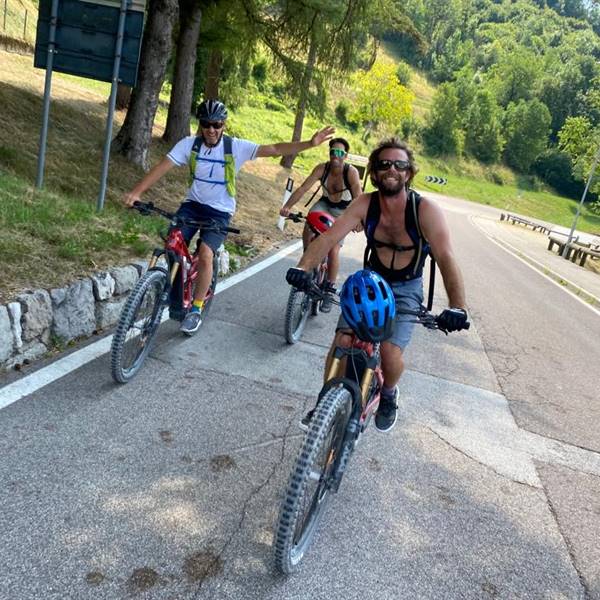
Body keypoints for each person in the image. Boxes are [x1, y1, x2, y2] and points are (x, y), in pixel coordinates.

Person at [286, 138, 468, 432]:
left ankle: (389, 392)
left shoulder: (424, 211)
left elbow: (446, 258)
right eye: (384, 164)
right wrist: (302, 267)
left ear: (409, 173)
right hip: (370, 281)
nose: (391, 169)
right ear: (374, 171)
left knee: (389, 351)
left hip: (407, 287)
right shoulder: (364, 204)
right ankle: (323, 405)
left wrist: (458, 307)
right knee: (342, 341)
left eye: (400, 164)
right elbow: (330, 238)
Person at [123, 99, 334, 335]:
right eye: (206, 124)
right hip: (192, 206)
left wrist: (309, 143)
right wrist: (136, 192)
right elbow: (162, 167)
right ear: (200, 124)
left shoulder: (235, 147)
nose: (211, 130)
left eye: (216, 124)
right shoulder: (189, 145)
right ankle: (175, 295)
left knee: (205, 253)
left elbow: (274, 149)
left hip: (220, 211)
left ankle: (196, 308)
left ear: (223, 125)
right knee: (172, 245)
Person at [279, 138, 362, 312]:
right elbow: (303, 188)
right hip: (324, 204)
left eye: (340, 153)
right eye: (333, 152)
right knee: (309, 224)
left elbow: (359, 199)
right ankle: (308, 261)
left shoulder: (351, 172)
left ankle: (329, 289)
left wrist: (359, 220)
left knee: (333, 249)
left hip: (343, 210)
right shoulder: (321, 169)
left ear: (345, 156)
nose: (335, 156)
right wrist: (287, 206)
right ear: (329, 153)